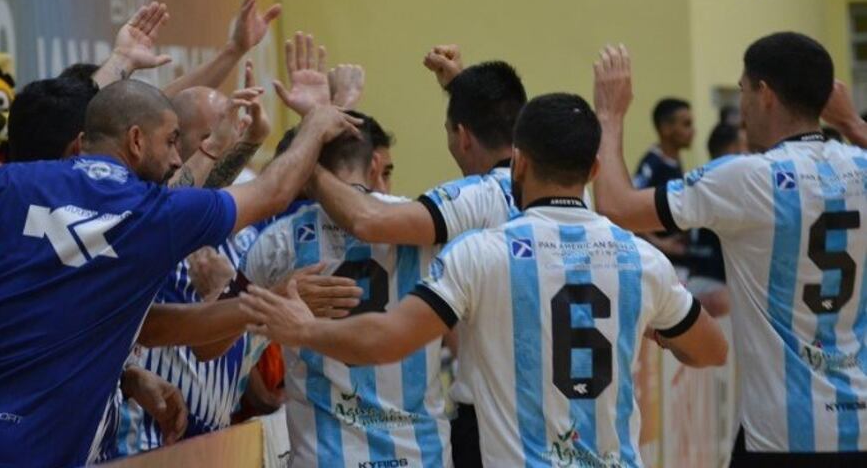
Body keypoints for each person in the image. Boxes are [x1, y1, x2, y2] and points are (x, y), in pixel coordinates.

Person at [0, 79, 358, 467]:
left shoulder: (8, 183)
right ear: (136, 140)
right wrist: (314, 126)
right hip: (22, 454)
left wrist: (131, 375)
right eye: (172, 141)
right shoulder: (153, 214)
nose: (177, 158)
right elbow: (274, 191)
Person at [241, 93, 728, 466]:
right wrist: (662, 331)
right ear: (595, 169)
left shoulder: (480, 253)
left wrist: (303, 330)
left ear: (519, 161)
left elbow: (387, 339)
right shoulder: (641, 260)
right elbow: (711, 351)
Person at [592, 34, 867, 464]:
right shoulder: (861, 166)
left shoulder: (747, 178)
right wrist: (853, 125)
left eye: (743, 90)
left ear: (766, 94)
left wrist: (609, 116)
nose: (741, 108)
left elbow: (615, 206)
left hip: (784, 435)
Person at [308, 48, 526, 467]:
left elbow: (367, 219)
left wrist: (305, 158)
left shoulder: (473, 197)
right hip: (561, 418)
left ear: (462, 136)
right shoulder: (571, 192)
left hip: (490, 427)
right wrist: (466, 93)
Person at [243, 112, 451, 467]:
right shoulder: (426, 227)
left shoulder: (278, 241)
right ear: (375, 164)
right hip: (422, 456)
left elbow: (226, 348)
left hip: (324, 457)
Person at [684, 122, 745, 317]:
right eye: (747, 146)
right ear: (733, 149)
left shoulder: (699, 178)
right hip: (717, 290)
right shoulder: (731, 184)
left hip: (696, 283)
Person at [632, 97, 694, 271]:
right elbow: (630, 211)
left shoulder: (675, 161)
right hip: (657, 260)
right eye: (686, 124)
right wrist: (660, 243)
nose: (693, 131)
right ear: (666, 128)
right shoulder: (651, 164)